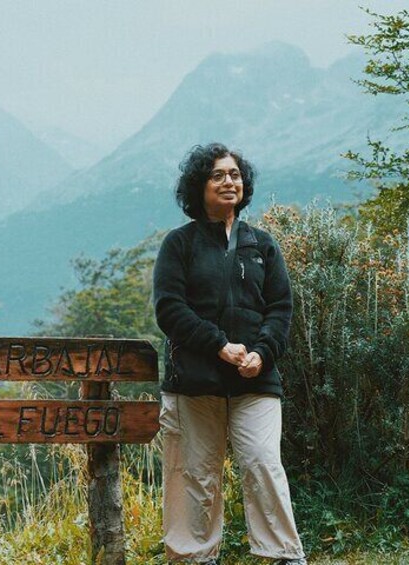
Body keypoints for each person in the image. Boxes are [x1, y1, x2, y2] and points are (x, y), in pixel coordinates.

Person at [153, 143, 306, 565]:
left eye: (235, 174)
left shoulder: (262, 245)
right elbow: (170, 309)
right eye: (217, 175)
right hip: (194, 381)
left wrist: (262, 352)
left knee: (262, 464)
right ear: (198, 187)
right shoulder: (179, 244)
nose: (229, 182)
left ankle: (282, 556)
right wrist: (219, 345)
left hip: (255, 380)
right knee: (194, 475)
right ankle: (193, 558)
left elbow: (280, 308)